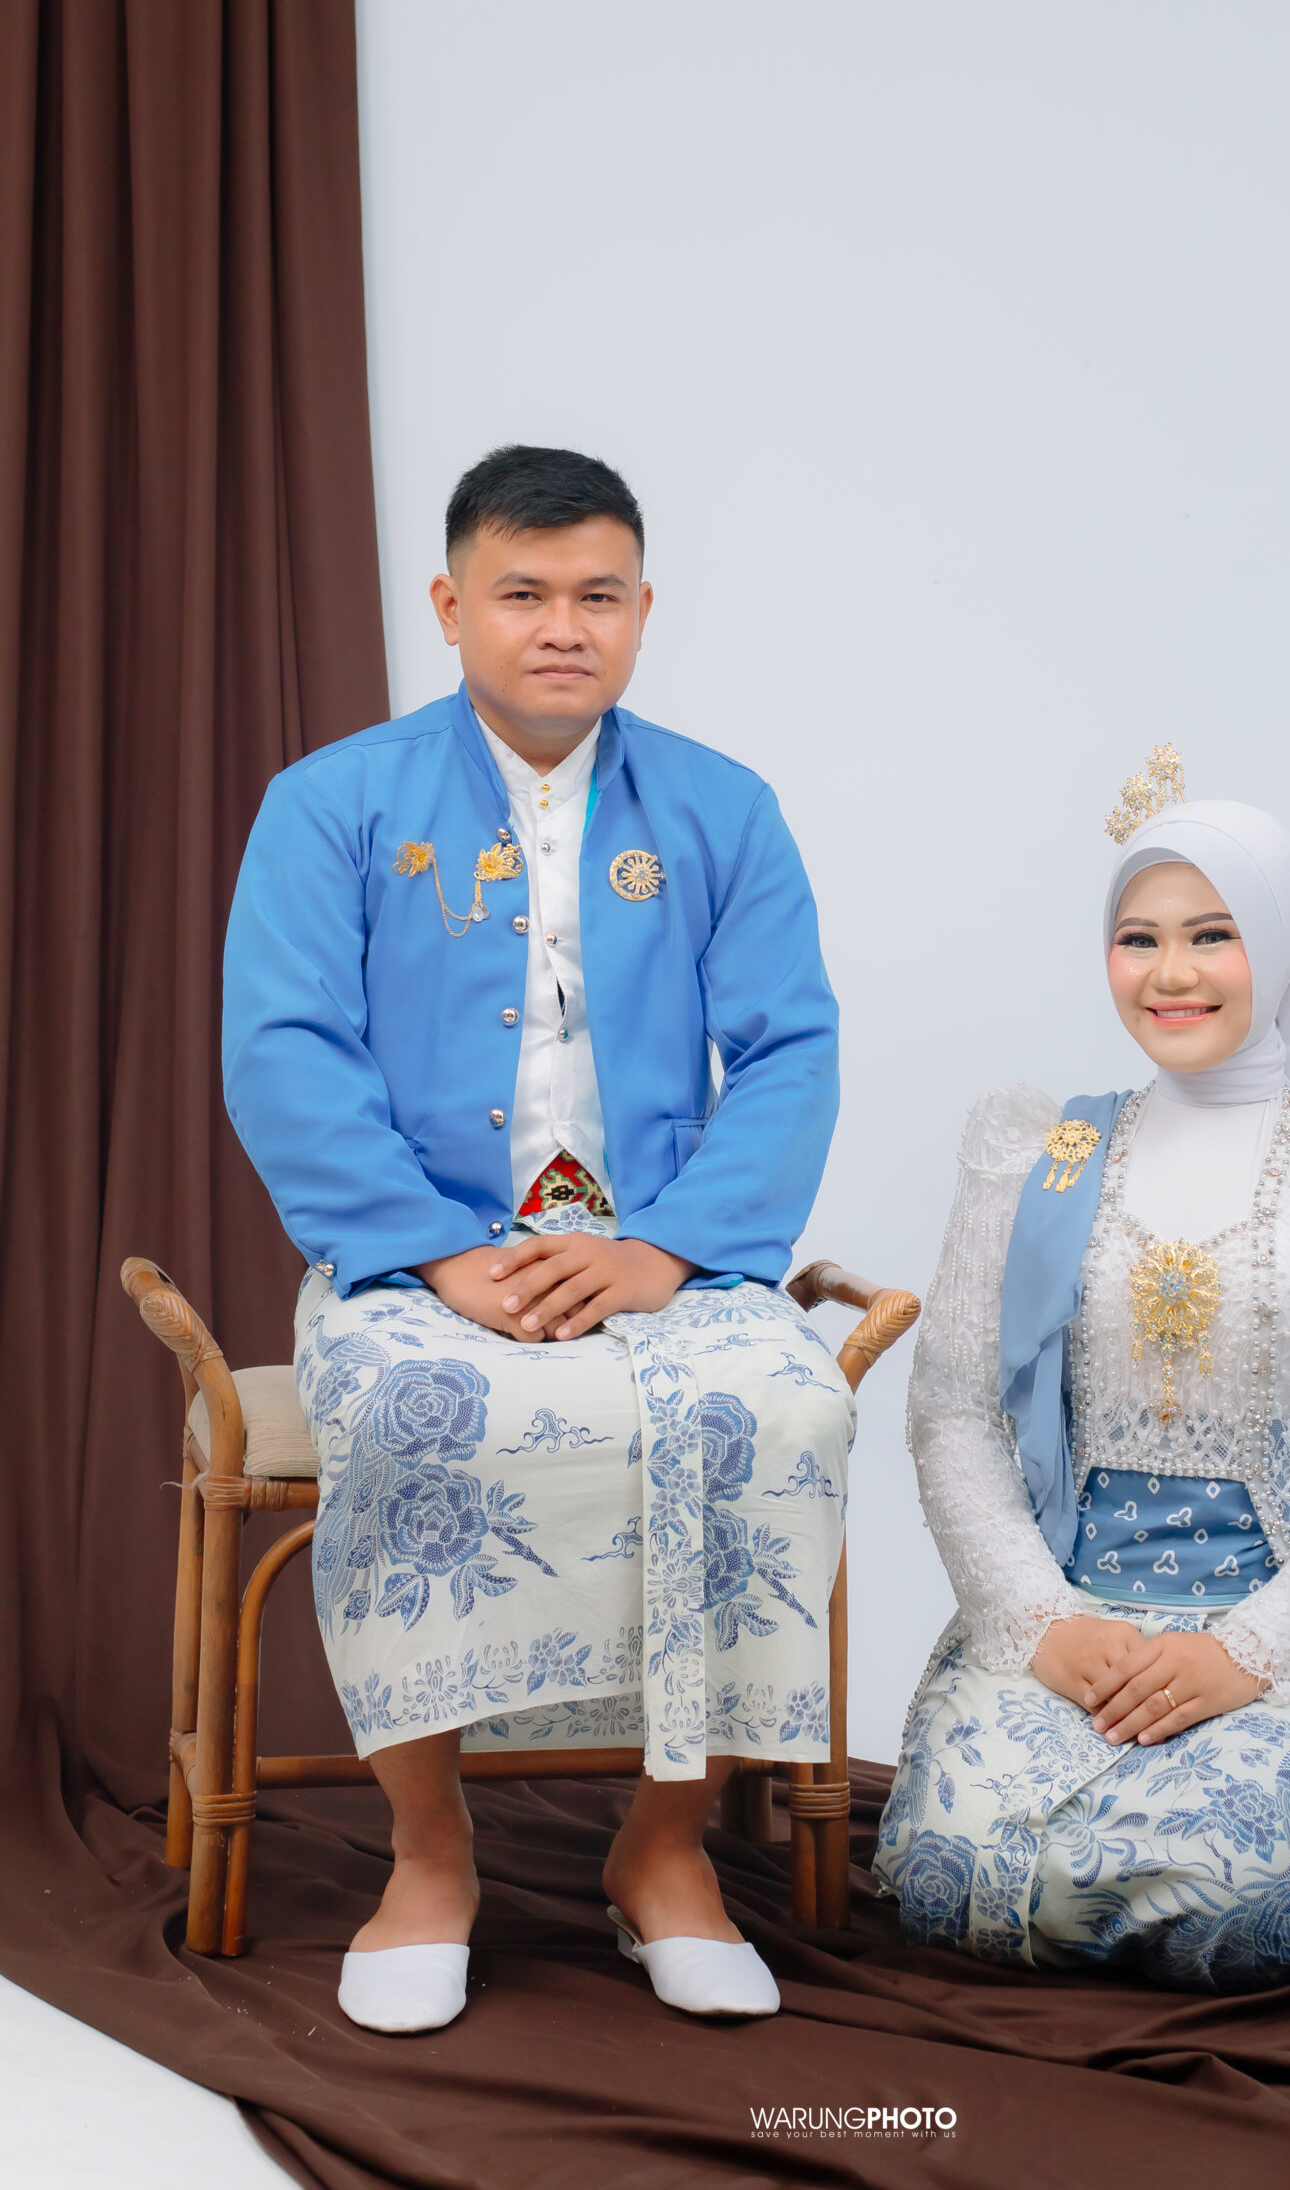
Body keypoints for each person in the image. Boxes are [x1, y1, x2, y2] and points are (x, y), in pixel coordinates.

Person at [224, 444, 846, 2030]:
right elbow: (285, 1049)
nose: (563, 626)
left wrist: (668, 1253)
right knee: (416, 1411)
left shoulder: (722, 807)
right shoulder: (331, 804)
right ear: (451, 607)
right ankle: (430, 1856)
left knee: (782, 1408)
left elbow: (789, 1050)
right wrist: (436, 1252)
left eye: (597, 595)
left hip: (662, 1255)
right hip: (416, 1260)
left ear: (643, 609)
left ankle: (664, 1850)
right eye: (522, 593)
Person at [875, 750, 1290, 1988]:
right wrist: (1041, 1625)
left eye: (1212, 934)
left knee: (1246, 1900)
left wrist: (1244, 1651)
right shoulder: (1040, 1154)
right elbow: (951, 1412)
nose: (1171, 973)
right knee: (946, 1874)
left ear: (1281, 944)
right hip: (1068, 1620)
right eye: (1136, 939)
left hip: (1268, 1643)